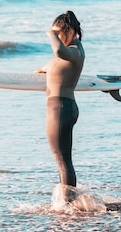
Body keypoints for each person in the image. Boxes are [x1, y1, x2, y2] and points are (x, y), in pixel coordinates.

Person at [36, 11, 85, 202]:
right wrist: (43, 69)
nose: (57, 38)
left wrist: (50, 34)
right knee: (63, 161)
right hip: (64, 108)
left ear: (70, 31)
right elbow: (54, 63)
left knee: (63, 162)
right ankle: (69, 201)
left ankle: (67, 205)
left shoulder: (73, 51)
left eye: (59, 34)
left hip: (60, 110)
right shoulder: (72, 52)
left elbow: (59, 53)